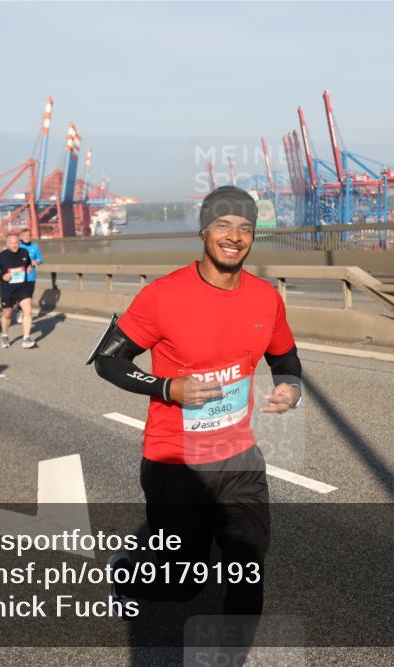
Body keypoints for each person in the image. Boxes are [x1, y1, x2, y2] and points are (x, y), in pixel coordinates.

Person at [91, 186, 303, 618]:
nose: (234, 236)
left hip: (239, 460)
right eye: (223, 225)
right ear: (204, 231)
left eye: (245, 227)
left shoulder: (266, 297)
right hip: (176, 464)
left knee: (248, 578)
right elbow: (108, 361)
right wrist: (168, 388)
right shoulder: (163, 296)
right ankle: (126, 577)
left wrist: (291, 388)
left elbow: (285, 357)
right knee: (184, 585)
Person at [0, 233, 35, 349]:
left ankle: (26, 338)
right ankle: (5, 335)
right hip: (8, 289)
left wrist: (30, 267)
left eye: (16, 243)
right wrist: (2, 275)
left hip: (23, 287)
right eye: (12, 243)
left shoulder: (24, 252)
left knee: (28, 310)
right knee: (7, 315)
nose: (15, 245)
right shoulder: (1, 256)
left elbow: (28, 263)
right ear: (7, 244)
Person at [17, 228, 43, 323]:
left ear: (31, 236)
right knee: (20, 296)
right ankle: (20, 311)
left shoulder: (35, 247)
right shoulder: (18, 246)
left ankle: (26, 315)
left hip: (31, 276)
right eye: (24, 235)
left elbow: (40, 259)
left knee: (29, 296)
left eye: (28, 235)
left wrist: (36, 261)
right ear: (21, 237)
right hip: (19, 276)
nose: (26, 237)